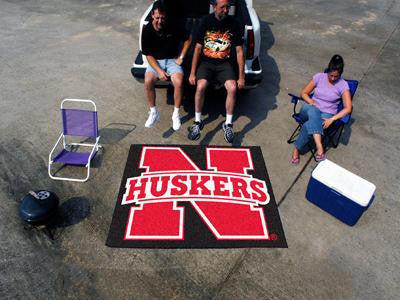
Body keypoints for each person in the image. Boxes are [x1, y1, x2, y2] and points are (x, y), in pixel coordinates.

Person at [187, 0, 245, 143]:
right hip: (206, 63)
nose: (226, 10)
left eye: (228, 7)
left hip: (225, 64)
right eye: (222, 7)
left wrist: (241, 77)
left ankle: (228, 124)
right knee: (200, 87)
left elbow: (239, 51)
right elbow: (198, 48)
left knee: (232, 88)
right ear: (214, 7)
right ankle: (198, 122)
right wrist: (193, 72)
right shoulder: (205, 21)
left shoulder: (234, 23)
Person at [291, 54, 352, 164]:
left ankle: (296, 149)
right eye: (331, 75)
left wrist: (332, 119)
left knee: (307, 125)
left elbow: (348, 108)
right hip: (309, 109)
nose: (333, 78)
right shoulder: (319, 77)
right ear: (328, 70)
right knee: (313, 110)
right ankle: (320, 147)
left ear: (340, 74)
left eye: (336, 76)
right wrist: (311, 101)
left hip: (327, 115)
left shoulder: (343, 85)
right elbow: (303, 93)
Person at [141, 1, 192, 130]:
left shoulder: (172, 25)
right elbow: (148, 55)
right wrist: (159, 71)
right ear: (152, 15)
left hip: (171, 60)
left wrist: (181, 57)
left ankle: (175, 114)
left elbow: (188, 39)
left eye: (162, 18)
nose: (160, 21)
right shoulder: (147, 29)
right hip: (155, 61)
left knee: (179, 82)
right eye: (157, 18)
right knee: (148, 81)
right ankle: (153, 112)